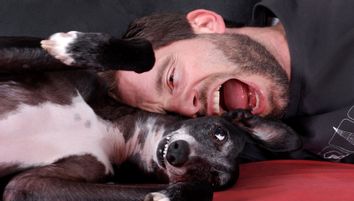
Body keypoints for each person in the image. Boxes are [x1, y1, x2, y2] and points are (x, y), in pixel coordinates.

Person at [110, 0, 354, 162]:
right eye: (173, 114)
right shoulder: (255, 148)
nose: (187, 108)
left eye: (172, 78)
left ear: (205, 24)